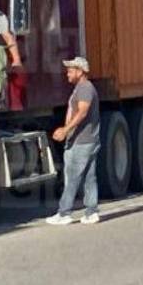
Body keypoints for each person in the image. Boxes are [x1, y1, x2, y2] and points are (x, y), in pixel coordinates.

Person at [46, 57, 101, 225]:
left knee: (72, 177)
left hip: (82, 141)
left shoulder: (84, 88)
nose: (67, 73)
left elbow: (83, 112)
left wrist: (66, 130)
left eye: (70, 70)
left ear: (80, 71)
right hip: (88, 139)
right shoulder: (83, 88)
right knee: (89, 177)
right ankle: (91, 212)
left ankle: (64, 213)